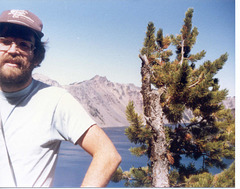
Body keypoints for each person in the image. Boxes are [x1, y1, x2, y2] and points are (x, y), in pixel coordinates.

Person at [0, 9, 121, 187]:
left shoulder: (54, 100)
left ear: (36, 56)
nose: (13, 50)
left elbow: (108, 155)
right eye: (4, 42)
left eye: (23, 44)